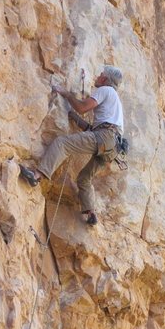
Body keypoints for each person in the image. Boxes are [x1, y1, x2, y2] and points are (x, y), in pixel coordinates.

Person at [20, 65, 124, 226]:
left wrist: (67, 94)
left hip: (105, 138)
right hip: (111, 147)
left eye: (101, 74)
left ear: (105, 79)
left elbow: (82, 108)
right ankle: (91, 212)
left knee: (63, 144)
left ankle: (36, 176)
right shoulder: (115, 100)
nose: (98, 75)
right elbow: (96, 129)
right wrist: (75, 118)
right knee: (84, 178)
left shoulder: (106, 90)